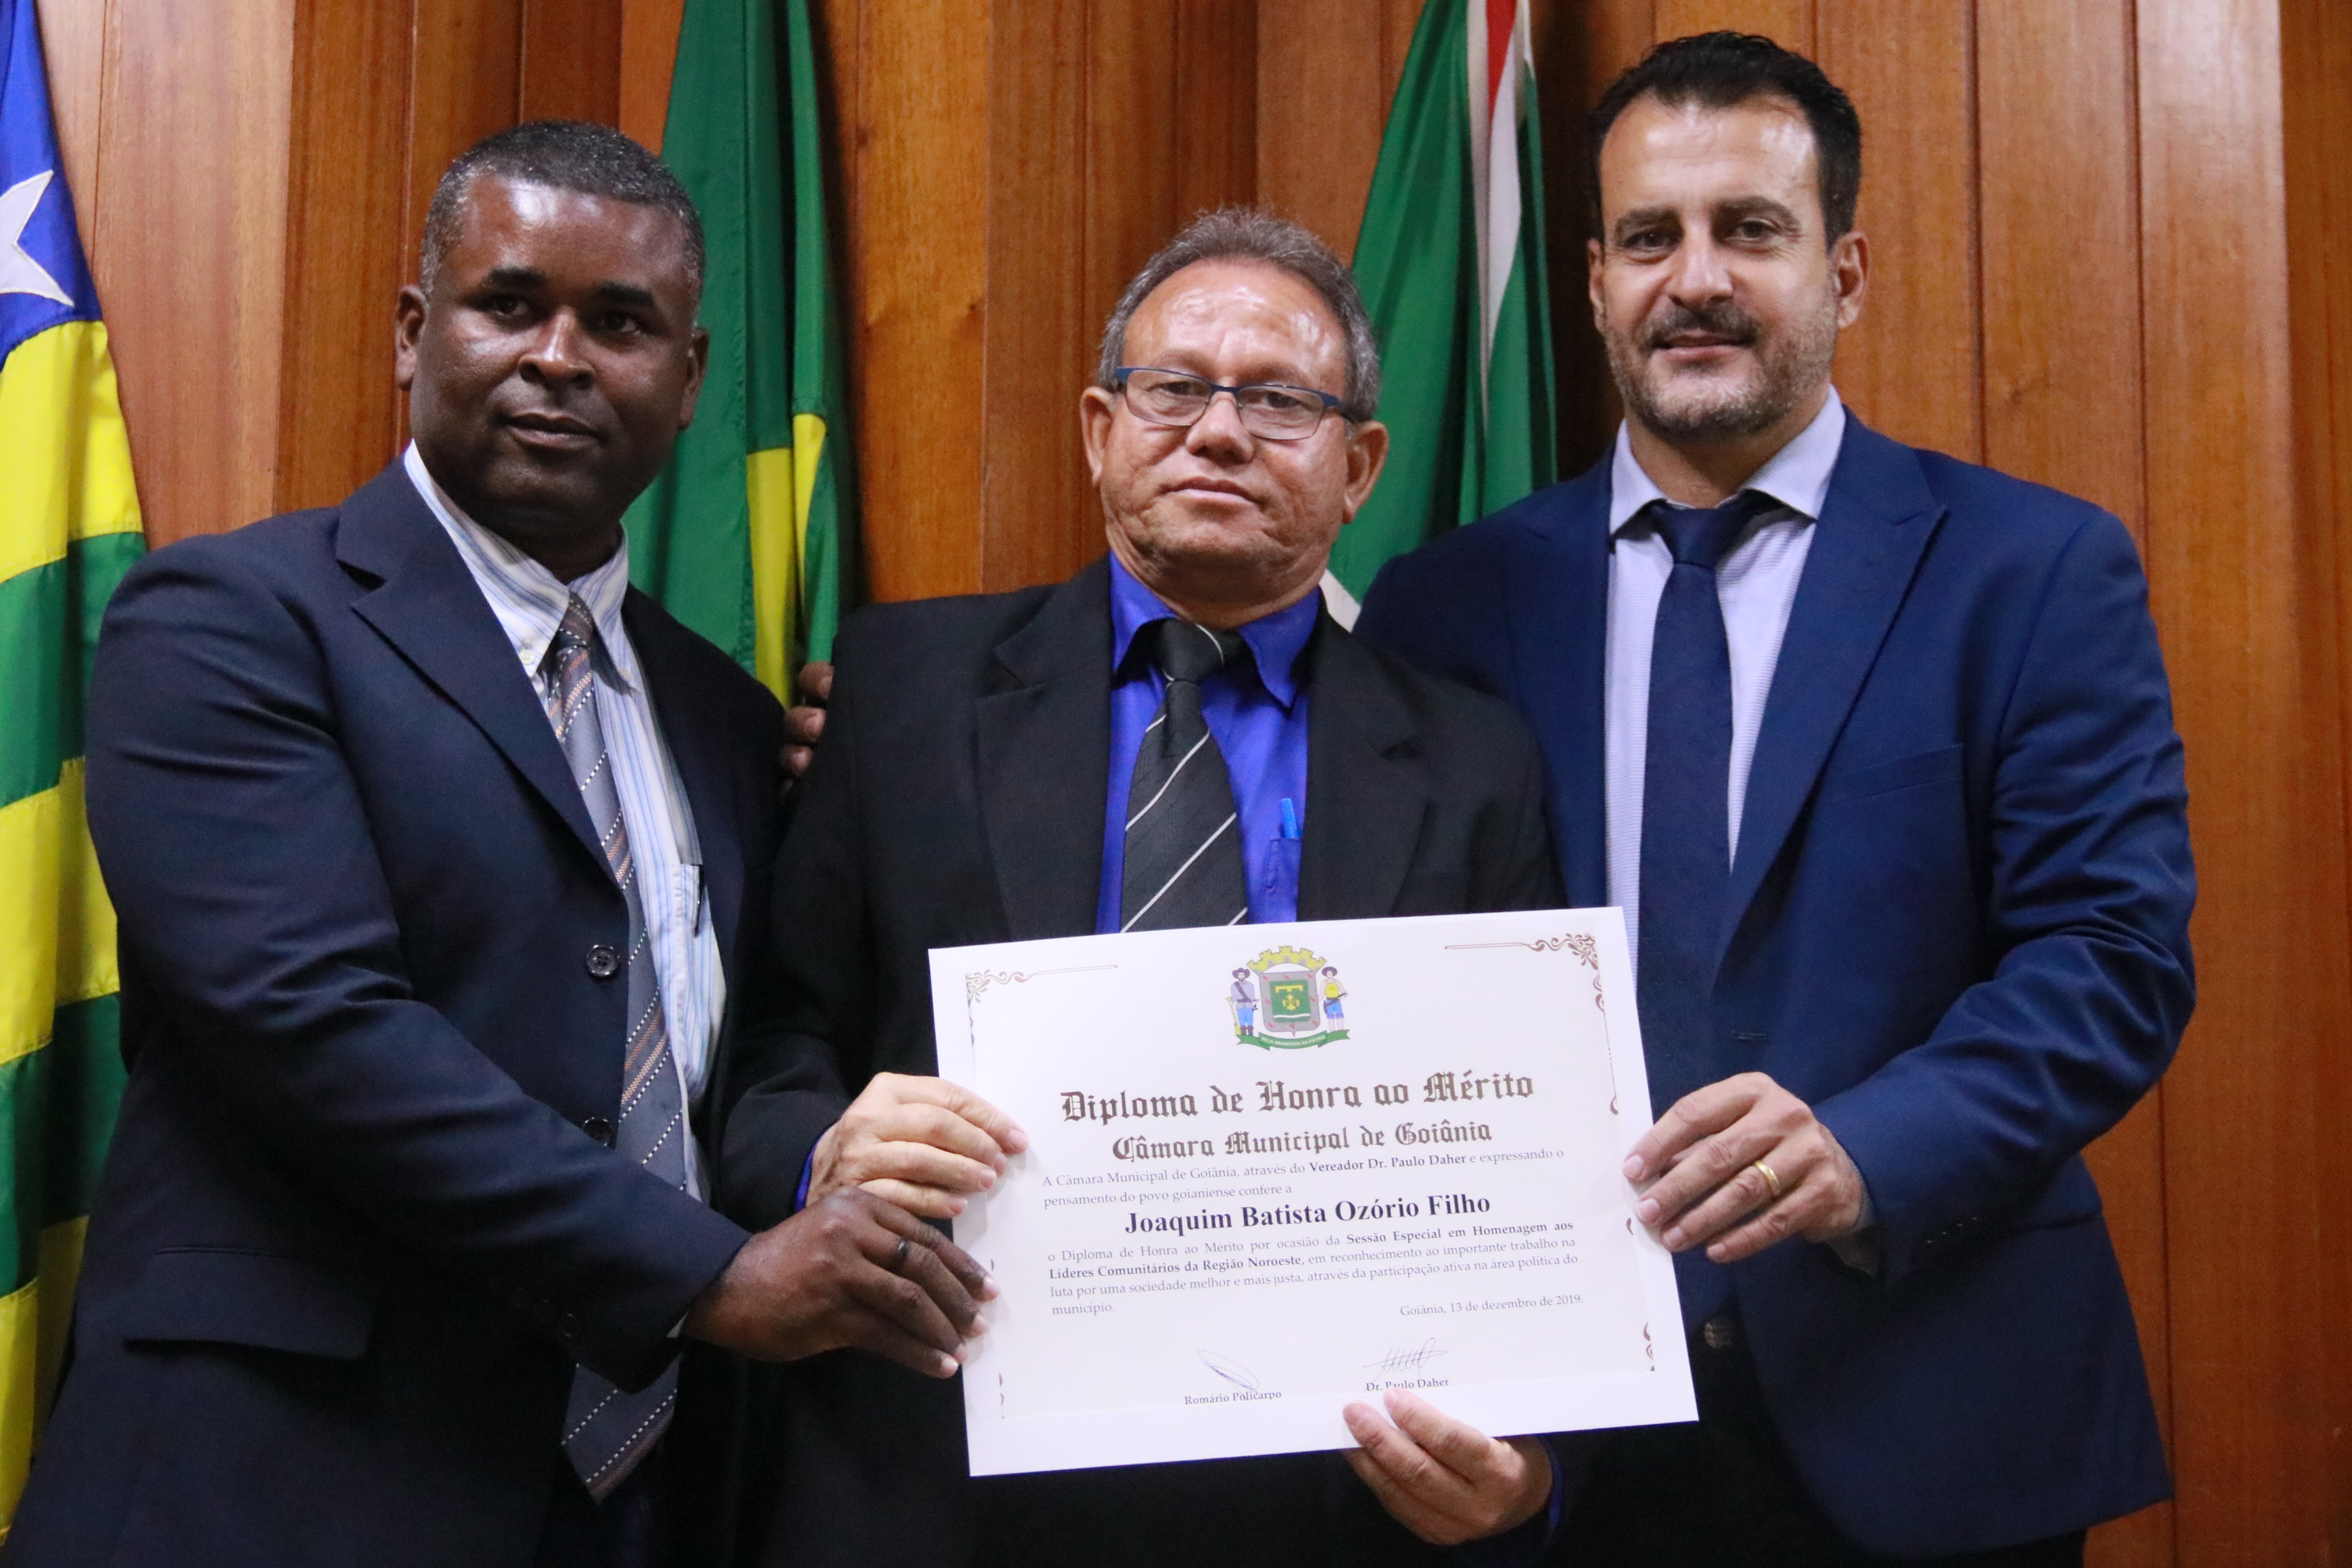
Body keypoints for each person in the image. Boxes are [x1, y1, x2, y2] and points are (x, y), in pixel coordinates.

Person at [6, 122, 989, 1568]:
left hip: (634, 1503)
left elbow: (730, 1060)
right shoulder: (229, 624)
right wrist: (710, 1279)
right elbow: (314, 1024)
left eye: (621, 324)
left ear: (690, 380)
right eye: (510, 304)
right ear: (414, 334)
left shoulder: (724, 719)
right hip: (277, 1481)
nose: (560, 359)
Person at [1355, 32, 2195, 1566]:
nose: (1697, 279)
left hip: (1931, 1392)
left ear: (1843, 272)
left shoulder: (2031, 571)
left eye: (1750, 228)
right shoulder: (1447, 602)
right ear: (1592, 281)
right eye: (1649, 238)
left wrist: (1866, 1149)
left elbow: (2111, 957)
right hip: (1561, 1426)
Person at [724, 209, 1566, 1568]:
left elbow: (1528, 1135)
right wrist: (826, 1157)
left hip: (1319, 1492)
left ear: (1359, 468)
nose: (1218, 432)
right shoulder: (903, 690)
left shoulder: (1477, 762)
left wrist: (1529, 1457)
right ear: (1099, 428)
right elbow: (772, 1041)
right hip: (937, 1462)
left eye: (1279, 401)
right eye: (1174, 388)